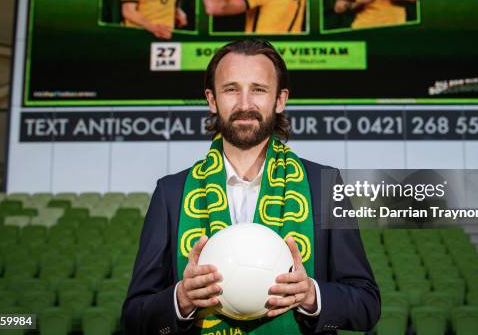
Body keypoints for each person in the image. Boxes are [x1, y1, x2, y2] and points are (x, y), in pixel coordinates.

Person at [122, 39, 380, 334]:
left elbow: (367, 304)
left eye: (258, 89)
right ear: (212, 99)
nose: (245, 104)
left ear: (280, 100)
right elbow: (133, 317)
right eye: (231, 89)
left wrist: (311, 296)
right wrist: (181, 300)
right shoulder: (171, 193)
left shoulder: (325, 184)